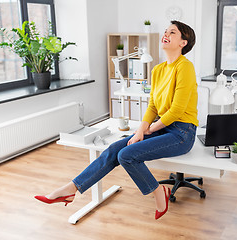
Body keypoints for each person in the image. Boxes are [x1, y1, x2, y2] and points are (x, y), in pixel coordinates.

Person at [35, 20, 198, 220]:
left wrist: (150, 129)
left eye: (172, 32)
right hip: (162, 128)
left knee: (126, 155)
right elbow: (153, 106)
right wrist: (141, 129)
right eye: (166, 31)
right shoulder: (157, 70)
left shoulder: (185, 67)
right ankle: (70, 189)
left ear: (183, 42)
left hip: (182, 133)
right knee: (113, 150)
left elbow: (177, 110)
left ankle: (158, 192)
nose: (166, 34)